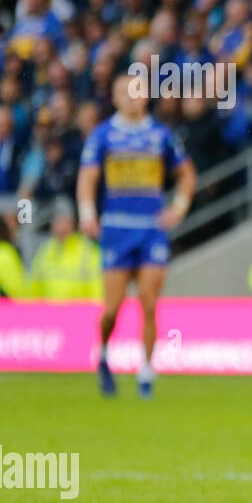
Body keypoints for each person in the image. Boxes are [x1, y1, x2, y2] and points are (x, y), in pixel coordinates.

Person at [77, 74, 197, 398]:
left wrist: (179, 207)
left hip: (151, 229)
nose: (131, 98)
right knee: (112, 310)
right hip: (116, 228)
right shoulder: (103, 135)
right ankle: (103, 355)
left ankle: (146, 373)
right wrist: (88, 214)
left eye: (137, 92)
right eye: (124, 93)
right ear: (114, 98)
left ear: (146, 97)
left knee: (148, 301)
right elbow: (87, 177)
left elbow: (186, 173)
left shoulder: (162, 135)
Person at [29, 201, 102, 300]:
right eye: (55, 220)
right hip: (48, 313)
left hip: (80, 313)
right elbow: (34, 289)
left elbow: (97, 291)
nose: (57, 225)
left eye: (62, 220)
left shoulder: (88, 252)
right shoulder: (44, 252)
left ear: (72, 222)